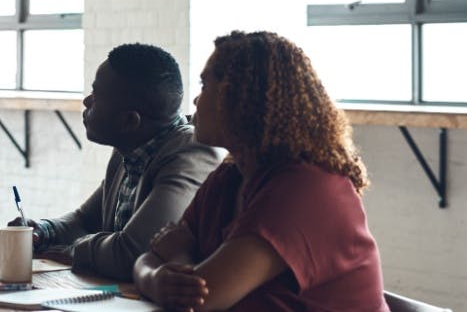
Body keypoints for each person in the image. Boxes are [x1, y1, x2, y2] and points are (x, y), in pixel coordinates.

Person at [133, 31, 388, 312]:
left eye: (205, 85)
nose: (195, 101)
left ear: (242, 99)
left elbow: (204, 298)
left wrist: (177, 257)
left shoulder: (306, 188)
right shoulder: (230, 176)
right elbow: (150, 255)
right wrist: (154, 278)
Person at [9, 43, 222, 281]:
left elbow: (132, 252)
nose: (86, 101)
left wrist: (73, 251)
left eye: (97, 96)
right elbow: (85, 220)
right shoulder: (129, 149)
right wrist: (42, 231)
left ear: (129, 122)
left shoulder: (192, 154)